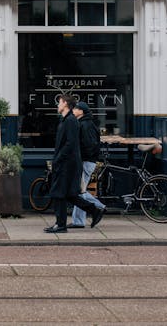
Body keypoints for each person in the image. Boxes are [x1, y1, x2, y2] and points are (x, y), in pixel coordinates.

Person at [44, 95, 105, 233]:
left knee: (58, 193)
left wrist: (58, 159)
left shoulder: (70, 121)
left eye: (59, 102)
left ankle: (60, 225)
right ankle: (94, 210)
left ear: (65, 104)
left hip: (68, 164)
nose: (58, 105)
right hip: (66, 163)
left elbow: (70, 143)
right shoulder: (66, 120)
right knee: (70, 194)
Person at [69, 101, 107, 228]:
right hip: (86, 160)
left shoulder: (86, 125)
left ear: (81, 111)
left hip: (86, 161)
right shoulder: (85, 123)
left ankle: (99, 207)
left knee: (79, 191)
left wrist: (81, 158)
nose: (73, 110)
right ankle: (78, 221)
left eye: (76, 108)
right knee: (80, 191)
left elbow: (89, 145)